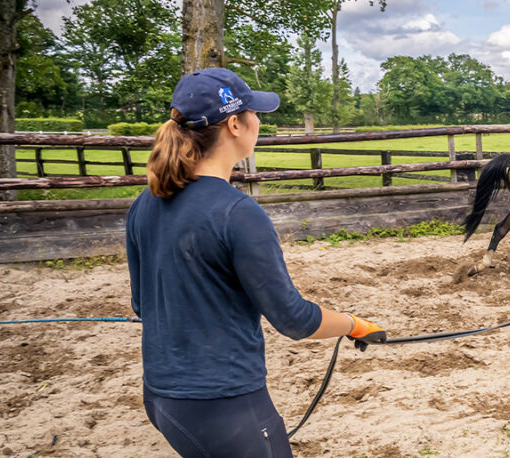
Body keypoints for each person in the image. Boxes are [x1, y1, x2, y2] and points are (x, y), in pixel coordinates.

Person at [125, 67, 384, 457]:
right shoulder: (237, 212)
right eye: (255, 114)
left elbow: (143, 305)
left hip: (162, 397)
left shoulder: (146, 202)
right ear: (234, 124)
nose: (259, 122)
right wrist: (355, 324)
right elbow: (294, 319)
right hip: (224, 405)